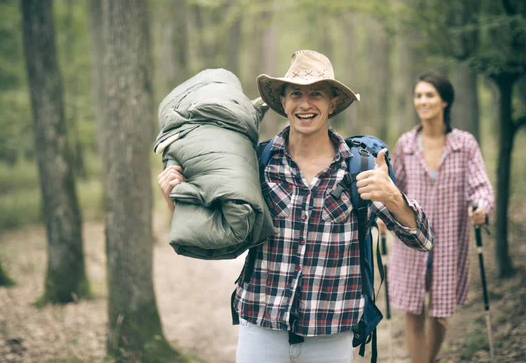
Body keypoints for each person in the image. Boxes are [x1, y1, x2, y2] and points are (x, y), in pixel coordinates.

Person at [158, 50, 434, 363]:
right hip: (260, 326)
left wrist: (393, 197)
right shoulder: (257, 162)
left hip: (331, 334)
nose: (305, 104)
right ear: (283, 102)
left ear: (332, 103)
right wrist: (174, 200)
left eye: (316, 93)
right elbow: (220, 233)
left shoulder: (362, 168)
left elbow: (423, 240)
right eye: (296, 94)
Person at [380, 72, 494, 363]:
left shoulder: (465, 144)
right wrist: (383, 215)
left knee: (440, 313)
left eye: (429, 95)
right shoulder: (406, 144)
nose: (423, 101)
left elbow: (480, 186)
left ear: (445, 101)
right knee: (414, 311)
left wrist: (481, 208)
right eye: (418, 96)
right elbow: (394, 188)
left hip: (449, 242)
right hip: (411, 239)